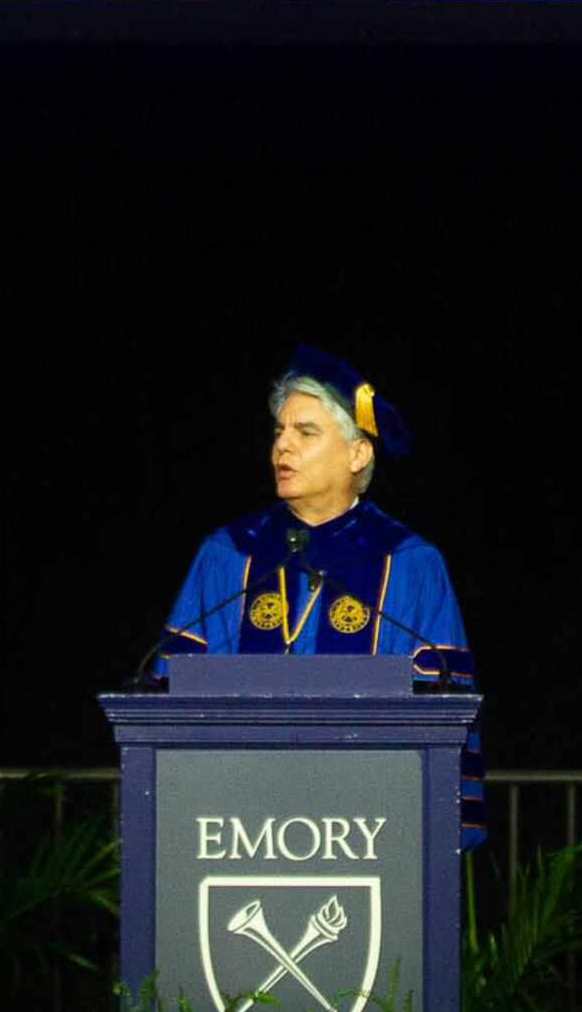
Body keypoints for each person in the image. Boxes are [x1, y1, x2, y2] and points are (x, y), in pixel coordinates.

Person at [156, 346, 482, 841]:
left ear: (358, 453)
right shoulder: (229, 556)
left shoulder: (410, 565)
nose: (282, 447)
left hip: (370, 832)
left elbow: (440, 715)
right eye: (279, 432)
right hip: (232, 828)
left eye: (305, 432)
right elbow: (173, 696)